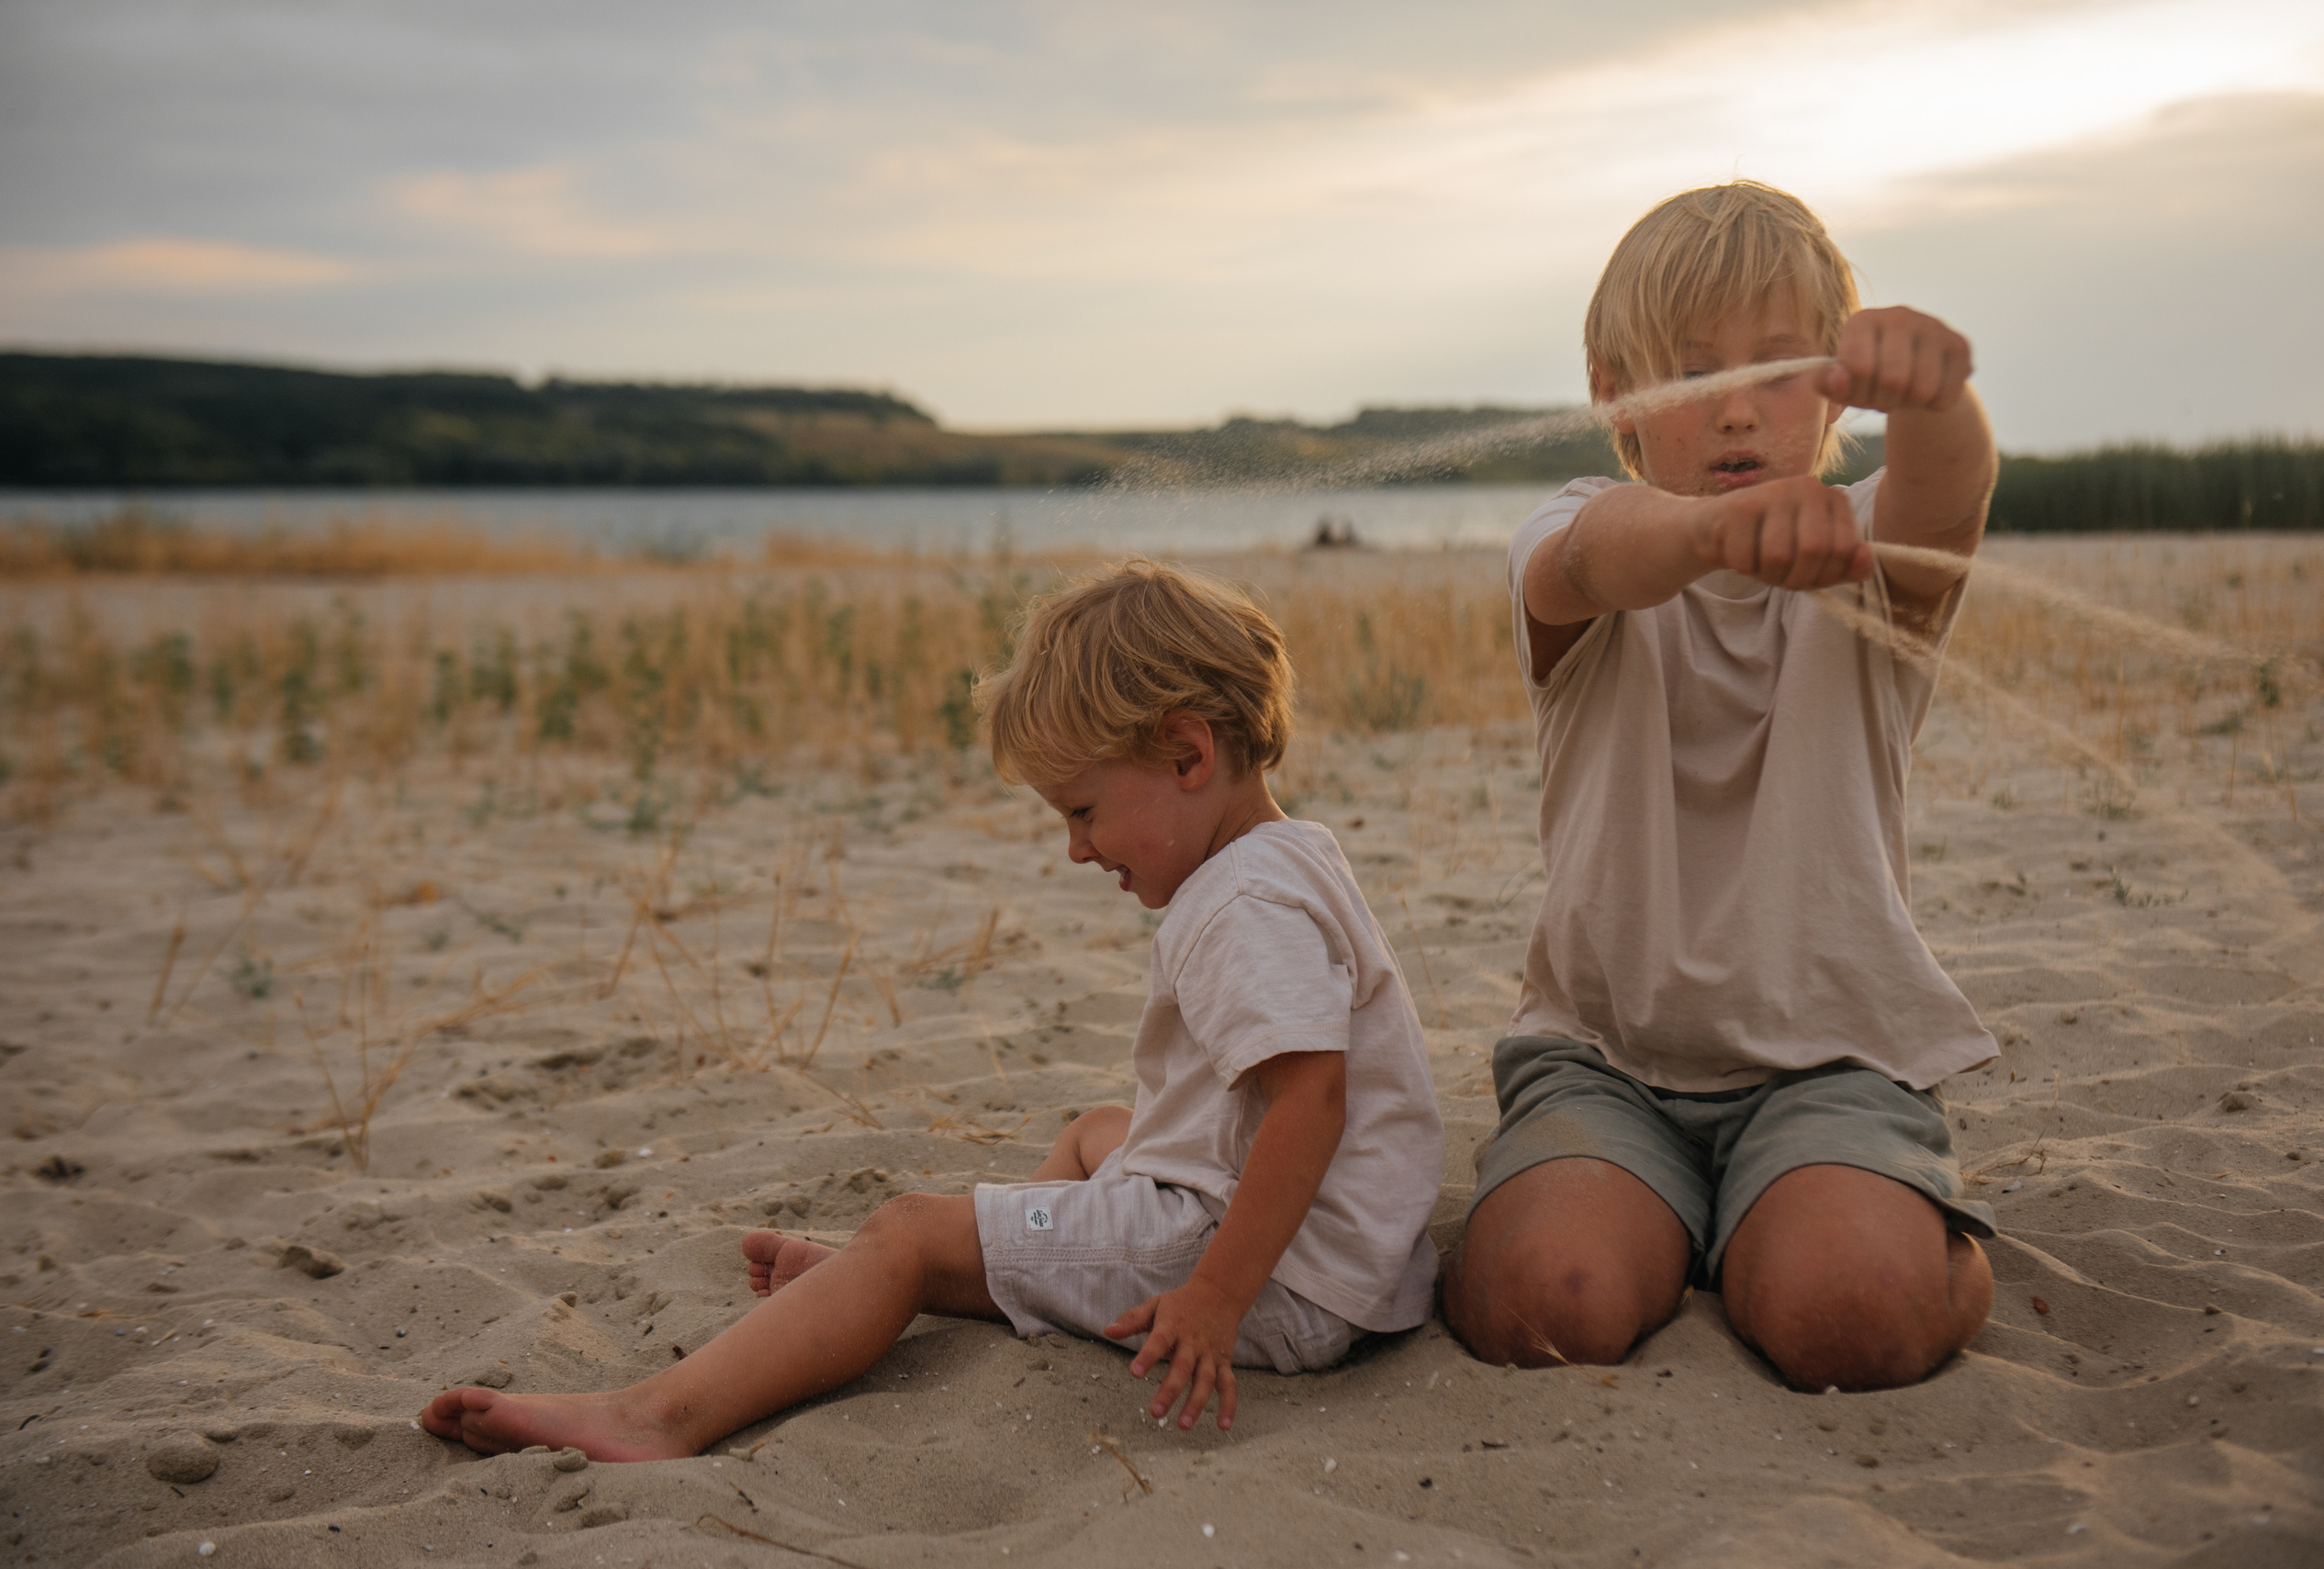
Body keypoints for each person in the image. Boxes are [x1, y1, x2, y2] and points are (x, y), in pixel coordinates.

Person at [421, 560, 1443, 1460]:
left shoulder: (1241, 906)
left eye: (1083, 810)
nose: (1078, 849)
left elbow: (1311, 1100)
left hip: (1270, 1275)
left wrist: (1215, 1298)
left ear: (1186, 755)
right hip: (1344, 1262)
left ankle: (657, 1413)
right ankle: (999, 1266)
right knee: (1092, 1133)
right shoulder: (1288, 855)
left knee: (906, 1232)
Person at [1442, 180, 2000, 1394]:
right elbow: (1597, 561)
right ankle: (1675, 1219)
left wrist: (1938, 399)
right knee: (1546, 1304)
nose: (1737, 409)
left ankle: (1857, 1231)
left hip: (1831, 1063)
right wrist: (1710, 539)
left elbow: (1948, 496)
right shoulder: (1582, 529)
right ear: (1615, 391)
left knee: (1851, 1316)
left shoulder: (1866, 546)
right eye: (1691, 376)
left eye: (1780, 369)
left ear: (1839, 388)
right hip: (1604, 1058)